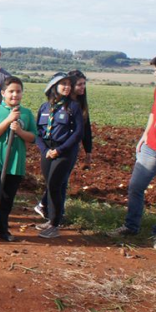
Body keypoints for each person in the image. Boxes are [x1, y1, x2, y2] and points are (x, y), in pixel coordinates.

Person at [109, 55, 156, 249]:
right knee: (135, 187)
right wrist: (145, 135)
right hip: (151, 147)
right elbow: (153, 113)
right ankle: (131, 226)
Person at [0, 76, 37, 242]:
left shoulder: (26, 114)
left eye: (18, 91)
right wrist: (9, 120)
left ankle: (1, 229)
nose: (15, 95)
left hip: (15, 159)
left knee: (6, 196)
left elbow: (33, 137)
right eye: (11, 91)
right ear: (3, 93)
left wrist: (19, 131)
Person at [35, 69, 93, 220]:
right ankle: (50, 212)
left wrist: (87, 151)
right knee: (53, 184)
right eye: (79, 84)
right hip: (48, 150)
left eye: (83, 85)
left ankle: (55, 219)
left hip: (65, 150)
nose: (81, 88)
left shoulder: (75, 106)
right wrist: (45, 150)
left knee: (57, 183)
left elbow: (82, 131)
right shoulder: (45, 107)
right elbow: (38, 131)